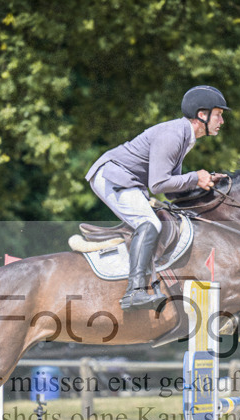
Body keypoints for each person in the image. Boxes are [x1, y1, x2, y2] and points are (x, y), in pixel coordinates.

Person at [86, 85, 230, 311]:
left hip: (125, 179)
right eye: (219, 115)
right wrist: (195, 177)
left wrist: (205, 184)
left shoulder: (185, 136)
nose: (221, 121)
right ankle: (134, 292)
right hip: (113, 176)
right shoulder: (173, 135)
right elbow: (158, 183)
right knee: (149, 222)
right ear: (202, 115)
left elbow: (170, 189)